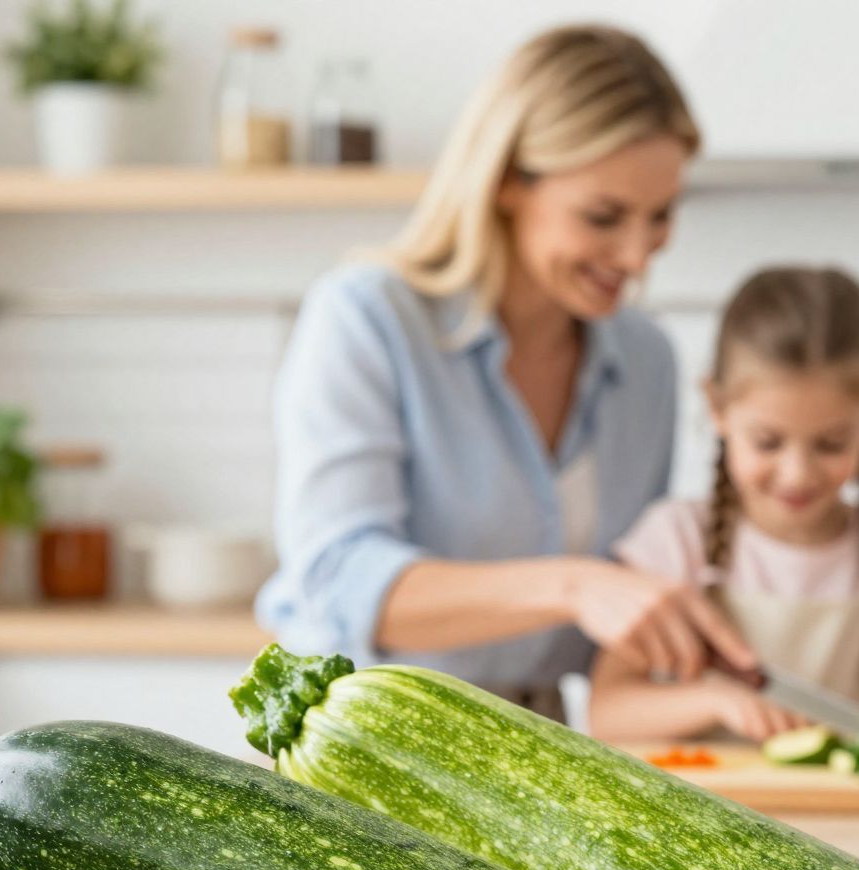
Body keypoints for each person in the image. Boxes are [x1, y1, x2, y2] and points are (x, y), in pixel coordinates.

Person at [257, 25, 752, 718]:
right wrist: (577, 586)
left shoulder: (645, 360)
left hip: (538, 742)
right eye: (604, 216)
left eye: (661, 216)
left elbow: (621, 610)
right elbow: (339, 579)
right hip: (361, 740)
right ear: (509, 180)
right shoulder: (369, 318)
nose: (639, 255)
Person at [590, 267, 859, 742]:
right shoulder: (674, 542)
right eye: (767, 442)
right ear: (716, 408)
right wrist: (715, 698)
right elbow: (605, 715)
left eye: (831, 444)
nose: (797, 473)